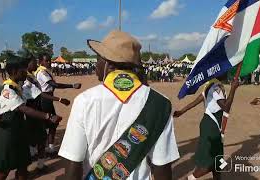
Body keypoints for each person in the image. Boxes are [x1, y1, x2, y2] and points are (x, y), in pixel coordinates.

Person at [58, 30, 180, 180]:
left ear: (107, 63)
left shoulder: (84, 101)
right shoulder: (161, 103)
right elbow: (162, 168)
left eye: (98, 60)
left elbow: (73, 164)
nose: (96, 65)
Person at [0, 55, 62, 180]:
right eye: (23, 70)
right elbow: (23, 108)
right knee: (4, 170)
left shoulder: (17, 85)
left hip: (19, 130)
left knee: (23, 166)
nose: (26, 72)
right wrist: (48, 116)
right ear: (14, 72)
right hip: (8, 133)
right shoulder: (7, 89)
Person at [174, 75, 239, 180]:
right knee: (209, 163)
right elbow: (226, 107)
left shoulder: (210, 84)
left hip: (211, 124)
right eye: (225, 70)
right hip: (211, 126)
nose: (227, 73)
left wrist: (182, 111)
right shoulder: (216, 87)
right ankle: (189, 178)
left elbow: (198, 100)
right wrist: (233, 88)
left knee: (218, 161)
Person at [22, 55, 70, 172]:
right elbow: (42, 92)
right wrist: (60, 98)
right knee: (39, 131)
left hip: (38, 102)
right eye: (34, 62)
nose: (36, 64)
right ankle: (37, 159)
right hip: (34, 105)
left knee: (38, 131)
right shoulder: (29, 77)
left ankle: (39, 157)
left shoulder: (32, 75)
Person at [35, 53, 81, 156]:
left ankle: (50, 149)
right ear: (41, 61)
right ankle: (38, 151)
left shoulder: (45, 71)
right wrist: (72, 85)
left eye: (49, 60)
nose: (49, 62)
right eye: (46, 60)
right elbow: (54, 84)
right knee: (46, 125)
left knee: (52, 123)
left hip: (48, 98)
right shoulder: (42, 72)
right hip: (44, 99)